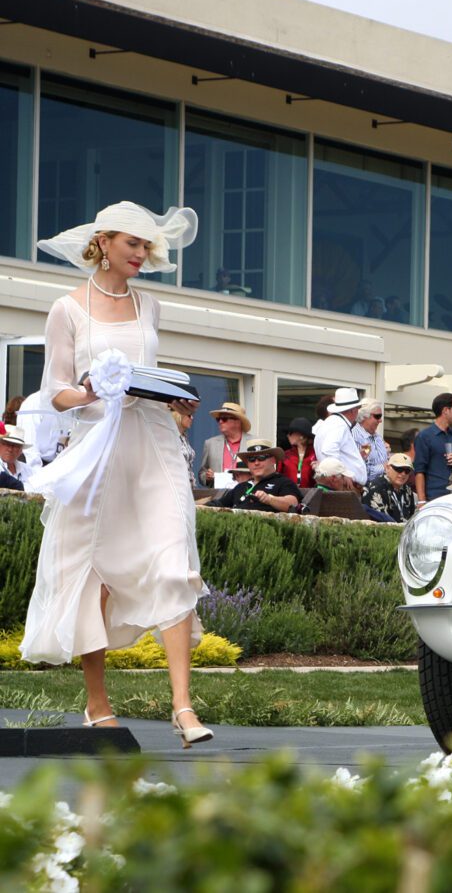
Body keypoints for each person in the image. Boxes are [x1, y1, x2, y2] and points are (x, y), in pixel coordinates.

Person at [22, 200, 212, 746]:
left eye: (147, 246)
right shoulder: (67, 309)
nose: (142, 254)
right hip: (98, 450)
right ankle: (97, 704)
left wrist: (176, 398)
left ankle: (183, 706)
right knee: (95, 574)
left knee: (174, 563)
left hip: (154, 443)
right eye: (133, 243)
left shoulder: (150, 305)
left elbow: (151, 373)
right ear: (103, 242)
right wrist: (88, 392)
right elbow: (55, 391)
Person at [204, 439, 301, 513]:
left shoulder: (282, 482)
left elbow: (293, 504)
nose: (256, 463)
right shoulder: (241, 486)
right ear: (247, 463)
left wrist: (270, 499)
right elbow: (218, 504)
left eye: (261, 457)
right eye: (252, 459)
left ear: (273, 460)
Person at [313, 387, 367, 488]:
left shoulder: (332, 423)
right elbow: (329, 449)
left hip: (337, 483)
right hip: (343, 485)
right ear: (353, 410)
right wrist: (343, 474)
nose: (358, 411)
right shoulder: (339, 425)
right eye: (358, 408)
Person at [413, 392, 452, 503]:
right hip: (434, 497)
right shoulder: (425, 436)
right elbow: (419, 470)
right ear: (445, 410)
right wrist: (421, 501)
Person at [197, 400, 249, 488]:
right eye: (218, 419)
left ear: (238, 421)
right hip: (219, 495)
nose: (220, 422)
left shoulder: (253, 442)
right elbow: (202, 473)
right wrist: (207, 477)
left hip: (246, 493)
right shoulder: (210, 443)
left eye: (224, 419)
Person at [362, 451, 417, 522]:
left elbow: (411, 516)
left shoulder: (407, 489)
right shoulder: (375, 488)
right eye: (399, 469)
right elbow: (379, 520)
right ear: (387, 468)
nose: (403, 474)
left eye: (407, 471)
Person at [352, 398, 390, 483]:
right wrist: (386, 467)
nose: (380, 420)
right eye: (377, 416)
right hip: (366, 488)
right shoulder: (355, 437)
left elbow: (385, 461)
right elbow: (361, 471)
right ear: (364, 416)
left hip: (383, 487)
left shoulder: (378, 437)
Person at [279, 417, 317, 489]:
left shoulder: (315, 455)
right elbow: (279, 476)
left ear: (301, 435)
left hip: (311, 493)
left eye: (290, 433)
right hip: (288, 493)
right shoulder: (286, 455)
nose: (288, 435)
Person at [171, 407, 195, 488]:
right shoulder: (171, 437)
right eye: (189, 415)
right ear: (179, 415)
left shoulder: (184, 437)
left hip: (189, 487)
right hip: (177, 486)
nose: (192, 418)